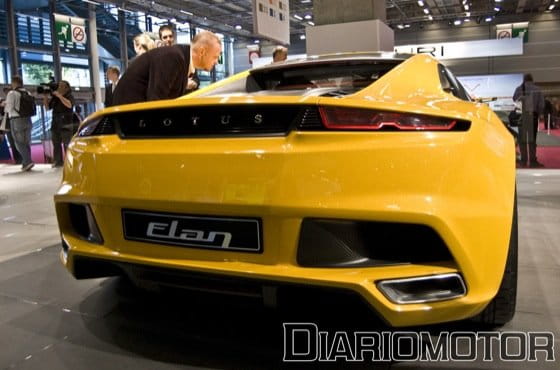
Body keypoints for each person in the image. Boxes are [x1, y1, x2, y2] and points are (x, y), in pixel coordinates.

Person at [113, 31, 222, 105]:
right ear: (202, 52)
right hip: (129, 122)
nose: (216, 62)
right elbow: (156, 101)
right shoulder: (174, 57)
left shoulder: (182, 59)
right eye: (215, 57)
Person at [513, 73, 545, 168]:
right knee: (531, 140)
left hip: (521, 116)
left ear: (524, 79)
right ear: (532, 79)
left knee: (522, 140)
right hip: (532, 117)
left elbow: (514, 99)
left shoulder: (518, 88)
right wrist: (538, 113)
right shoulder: (537, 89)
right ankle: (532, 161)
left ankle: (523, 161)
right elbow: (541, 105)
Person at [4, 76, 34, 171]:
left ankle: (28, 161)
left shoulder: (12, 93)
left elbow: (9, 109)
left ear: (14, 83)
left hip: (16, 120)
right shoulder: (27, 92)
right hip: (28, 119)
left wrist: (4, 105)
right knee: (26, 142)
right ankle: (26, 163)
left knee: (18, 142)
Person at [44, 80, 75, 168]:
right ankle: (57, 161)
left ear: (66, 88)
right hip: (55, 123)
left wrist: (60, 96)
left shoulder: (69, 96)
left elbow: (69, 105)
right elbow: (47, 108)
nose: (59, 87)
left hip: (66, 124)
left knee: (67, 144)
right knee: (56, 144)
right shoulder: (55, 97)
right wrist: (45, 97)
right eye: (59, 86)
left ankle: (70, 162)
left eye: (61, 86)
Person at [0, 86, 22, 164]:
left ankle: (21, 159)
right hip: (8, 126)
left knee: (17, 142)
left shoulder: (10, 101)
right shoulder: (3, 101)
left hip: (14, 123)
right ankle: (18, 160)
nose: (7, 93)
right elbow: (3, 116)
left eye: (8, 91)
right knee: (13, 143)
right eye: (5, 91)